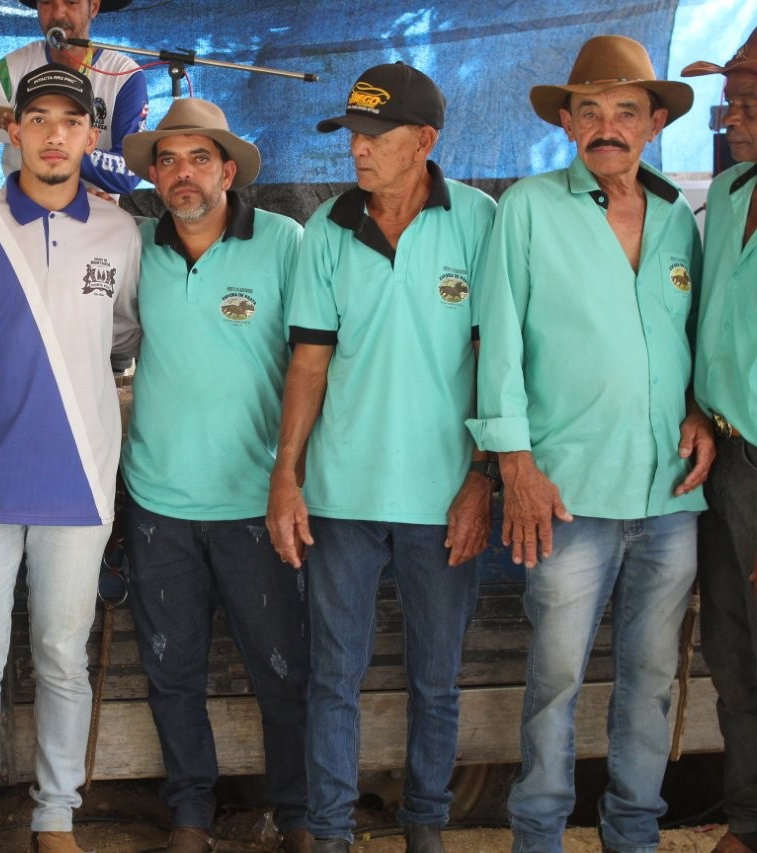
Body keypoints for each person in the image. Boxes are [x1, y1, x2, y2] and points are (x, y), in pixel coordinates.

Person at [467, 35, 713, 853]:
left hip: (669, 492)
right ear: (568, 122)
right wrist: (515, 464)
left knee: (652, 679)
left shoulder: (677, 217)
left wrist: (701, 410)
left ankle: (633, 833)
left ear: (653, 124)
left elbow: (691, 340)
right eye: (591, 111)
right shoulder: (529, 207)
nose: (608, 126)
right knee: (555, 680)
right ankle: (538, 835)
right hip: (564, 492)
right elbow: (498, 341)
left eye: (626, 111)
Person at [266, 63, 496, 853]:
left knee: (437, 677)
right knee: (334, 676)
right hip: (343, 493)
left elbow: (495, 358)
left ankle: (425, 824)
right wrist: (287, 473)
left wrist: (482, 476)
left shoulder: (479, 221)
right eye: (352, 136)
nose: (358, 150)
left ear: (425, 140)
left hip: (444, 493)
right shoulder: (328, 229)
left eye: (375, 136)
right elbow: (308, 363)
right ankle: (331, 832)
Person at [0, 63, 140, 853]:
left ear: (90, 134)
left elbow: (122, 337)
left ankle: (56, 818)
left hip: (80, 479)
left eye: (70, 121)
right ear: (12, 131)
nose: (53, 134)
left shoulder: (120, 232)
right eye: (37, 119)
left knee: (61, 657)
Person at [118, 98, 310, 853]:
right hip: (159, 498)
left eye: (199, 158)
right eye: (167, 160)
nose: (182, 174)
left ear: (229, 171)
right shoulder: (135, 246)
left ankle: (297, 815)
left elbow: (314, 359)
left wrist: (292, 474)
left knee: (283, 671)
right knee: (172, 671)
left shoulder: (284, 241)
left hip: (256, 498)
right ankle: (190, 815)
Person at [682, 28, 757, 853]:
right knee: (731, 651)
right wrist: (700, 406)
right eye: (730, 102)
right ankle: (747, 819)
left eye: (751, 104)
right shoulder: (732, 190)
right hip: (726, 458)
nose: (732, 118)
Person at [0, 0, 148, 197]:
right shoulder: (14, 66)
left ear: (93, 7)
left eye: (71, 2)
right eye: (47, 2)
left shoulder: (124, 76)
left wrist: (54, 148)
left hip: (95, 212)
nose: (58, 13)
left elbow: (129, 173)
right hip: (19, 207)